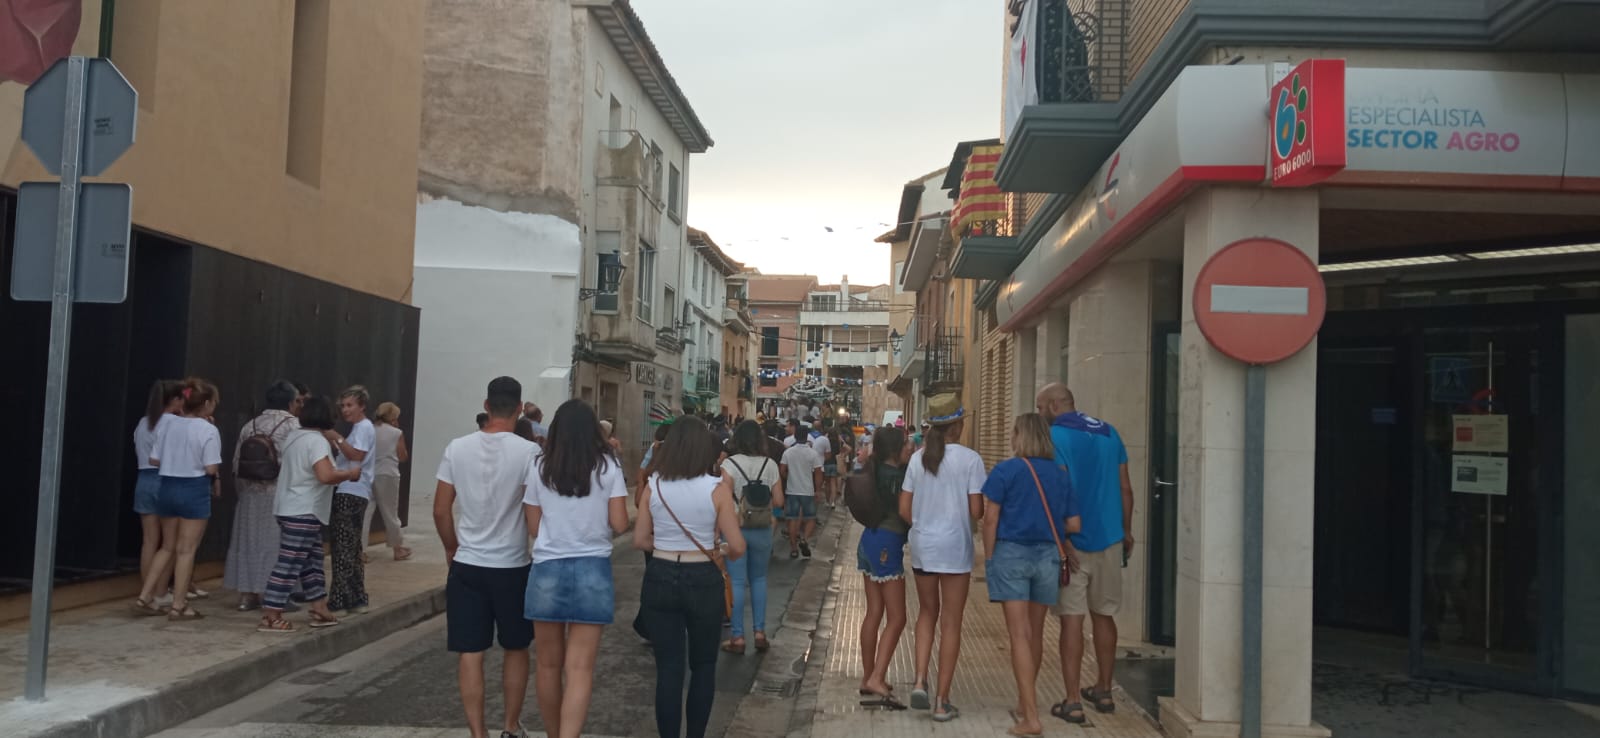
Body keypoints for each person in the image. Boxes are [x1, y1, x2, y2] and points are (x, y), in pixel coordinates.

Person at [436, 377, 542, 738]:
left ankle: (477, 733)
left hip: (467, 563)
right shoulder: (529, 453)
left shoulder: (457, 448)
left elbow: (440, 510)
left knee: (470, 651)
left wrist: (452, 547)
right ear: (519, 407)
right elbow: (534, 511)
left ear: (486, 405)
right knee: (516, 647)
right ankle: (511, 726)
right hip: (512, 565)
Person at [634, 416, 746, 738]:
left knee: (668, 669)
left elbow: (640, 540)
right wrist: (718, 550)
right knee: (703, 666)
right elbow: (737, 546)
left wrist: (668, 546)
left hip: (660, 574)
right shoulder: (717, 489)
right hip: (703, 577)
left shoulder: (653, 485)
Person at [523, 399, 629, 738]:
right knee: (580, 668)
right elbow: (620, 523)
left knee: (547, 665)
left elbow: (534, 526)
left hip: (547, 569)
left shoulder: (540, 466)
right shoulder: (609, 468)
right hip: (592, 569)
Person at [1035, 383, 1133, 723]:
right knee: (1104, 615)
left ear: (1052, 406)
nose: (1039, 415)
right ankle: (1104, 691)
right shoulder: (1110, 433)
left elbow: (1058, 488)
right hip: (1110, 538)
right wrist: (1127, 531)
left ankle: (1073, 699)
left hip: (1073, 544)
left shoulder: (1055, 438)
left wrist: (1061, 539)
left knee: (1071, 621)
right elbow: (1125, 487)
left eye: (1040, 408)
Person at [982, 414, 1082, 735]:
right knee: (1035, 634)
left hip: (1012, 553)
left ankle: (1031, 717)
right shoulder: (1060, 475)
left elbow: (990, 519)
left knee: (1018, 635)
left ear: (1019, 436)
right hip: (1048, 558)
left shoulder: (1005, 471)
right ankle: (1025, 704)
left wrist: (989, 557)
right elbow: (1074, 525)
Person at [899, 393, 985, 722]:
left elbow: (905, 509)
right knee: (951, 622)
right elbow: (976, 510)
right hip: (955, 549)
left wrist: (925, 524)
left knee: (926, 614)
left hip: (923, 545)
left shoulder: (918, 459)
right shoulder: (971, 460)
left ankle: (920, 680)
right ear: (958, 425)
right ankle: (941, 701)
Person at [257, 396, 360, 632]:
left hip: (289, 507)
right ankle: (271, 614)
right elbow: (325, 476)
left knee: (312, 561)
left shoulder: (294, 437)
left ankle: (319, 606)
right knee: (290, 562)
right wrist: (348, 474)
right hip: (303, 510)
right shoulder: (316, 442)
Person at [132, 378, 223, 620]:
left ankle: (144, 595)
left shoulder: (168, 425)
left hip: (167, 486)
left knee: (166, 546)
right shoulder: (208, 429)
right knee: (186, 550)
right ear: (205, 404)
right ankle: (179, 604)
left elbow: (154, 459)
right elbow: (211, 468)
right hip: (193, 487)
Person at [225, 380, 303, 611]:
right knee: (277, 545)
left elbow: (237, 463)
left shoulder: (251, 425)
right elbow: (298, 464)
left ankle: (247, 595)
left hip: (250, 495)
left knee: (248, 543)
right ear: (290, 402)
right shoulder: (294, 426)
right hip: (280, 494)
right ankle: (276, 594)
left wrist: (243, 492)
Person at [855, 426, 912, 710]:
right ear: (894, 450)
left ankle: (868, 677)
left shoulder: (873, 470)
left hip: (869, 541)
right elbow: (906, 512)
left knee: (874, 612)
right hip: (888, 544)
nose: (910, 448)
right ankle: (877, 677)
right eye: (906, 445)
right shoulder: (899, 476)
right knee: (898, 617)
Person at [720, 420, 784, 654]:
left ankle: (737, 637)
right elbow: (778, 501)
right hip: (763, 529)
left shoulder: (729, 464)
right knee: (759, 580)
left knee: (736, 582)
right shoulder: (770, 465)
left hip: (735, 528)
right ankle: (759, 632)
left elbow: (723, 501)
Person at [132, 380, 185, 606]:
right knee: (170, 544)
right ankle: (161, 591)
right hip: (165, 479)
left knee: (149, 541)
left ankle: (147, 590)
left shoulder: (143, 423)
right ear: (175, 400)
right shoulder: (174, 422)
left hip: (143, 480)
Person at [325, 385, 376, 615]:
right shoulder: (359, 428)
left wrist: (336, 437)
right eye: (343, 406)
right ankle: (356, 597)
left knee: (343, 546)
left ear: (362, 406)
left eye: (350, 405)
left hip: (350, 490)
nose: (345, 410)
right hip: (355, 490)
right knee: (353, 547)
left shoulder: (363, 428)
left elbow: (356, 455)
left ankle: (339, 597)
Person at [365, 402, 413, 562]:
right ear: (392, 417)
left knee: (366, 513)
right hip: (388, 474)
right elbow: (402, 456)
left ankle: (360, 550)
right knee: (390, 513)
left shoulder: (369, 429)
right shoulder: (396, 432)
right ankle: (397, 548)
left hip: (368, 473)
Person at [780, 427, 822, 559]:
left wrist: (789, 478)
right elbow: (818, 474)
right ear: (807, 437)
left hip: (792, 491)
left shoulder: (788, 452)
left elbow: (782, 470)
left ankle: (793, 548)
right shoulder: (813, 454)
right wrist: (818, 490)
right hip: (808, 491)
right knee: (811, 518)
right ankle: (804, 539)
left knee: (792, 519)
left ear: (795, 436)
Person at [811, 427, 835, 507]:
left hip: (792, 489)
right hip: (822, 466)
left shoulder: (788, 451)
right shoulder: (825, 440)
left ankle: (777, 515)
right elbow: (828, 455)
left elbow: (783, 470)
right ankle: (831, 502)